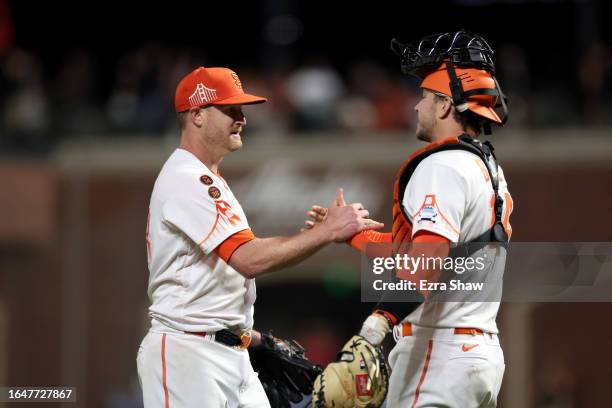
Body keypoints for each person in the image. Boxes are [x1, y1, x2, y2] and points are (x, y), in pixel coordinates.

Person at [136, 66, 383, 408]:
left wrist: (255, 340)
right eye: (230, 110)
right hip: (187, 354)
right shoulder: (187, 178)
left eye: (242, 110)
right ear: (196, 115)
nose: (242, 119)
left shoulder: (208, 178)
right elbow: (249, 260)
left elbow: (222, 281)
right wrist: (326, 232)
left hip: (228, 352)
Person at [310, 30, 514, 408]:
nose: (416, 106)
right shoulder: (486, 167)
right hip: (478, 354)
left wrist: (376, 325)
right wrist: (354, 235)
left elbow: (425, 265)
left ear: (444, 106)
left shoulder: (442, 165)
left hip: (438, 352)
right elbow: (437, 255)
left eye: (424, 96)